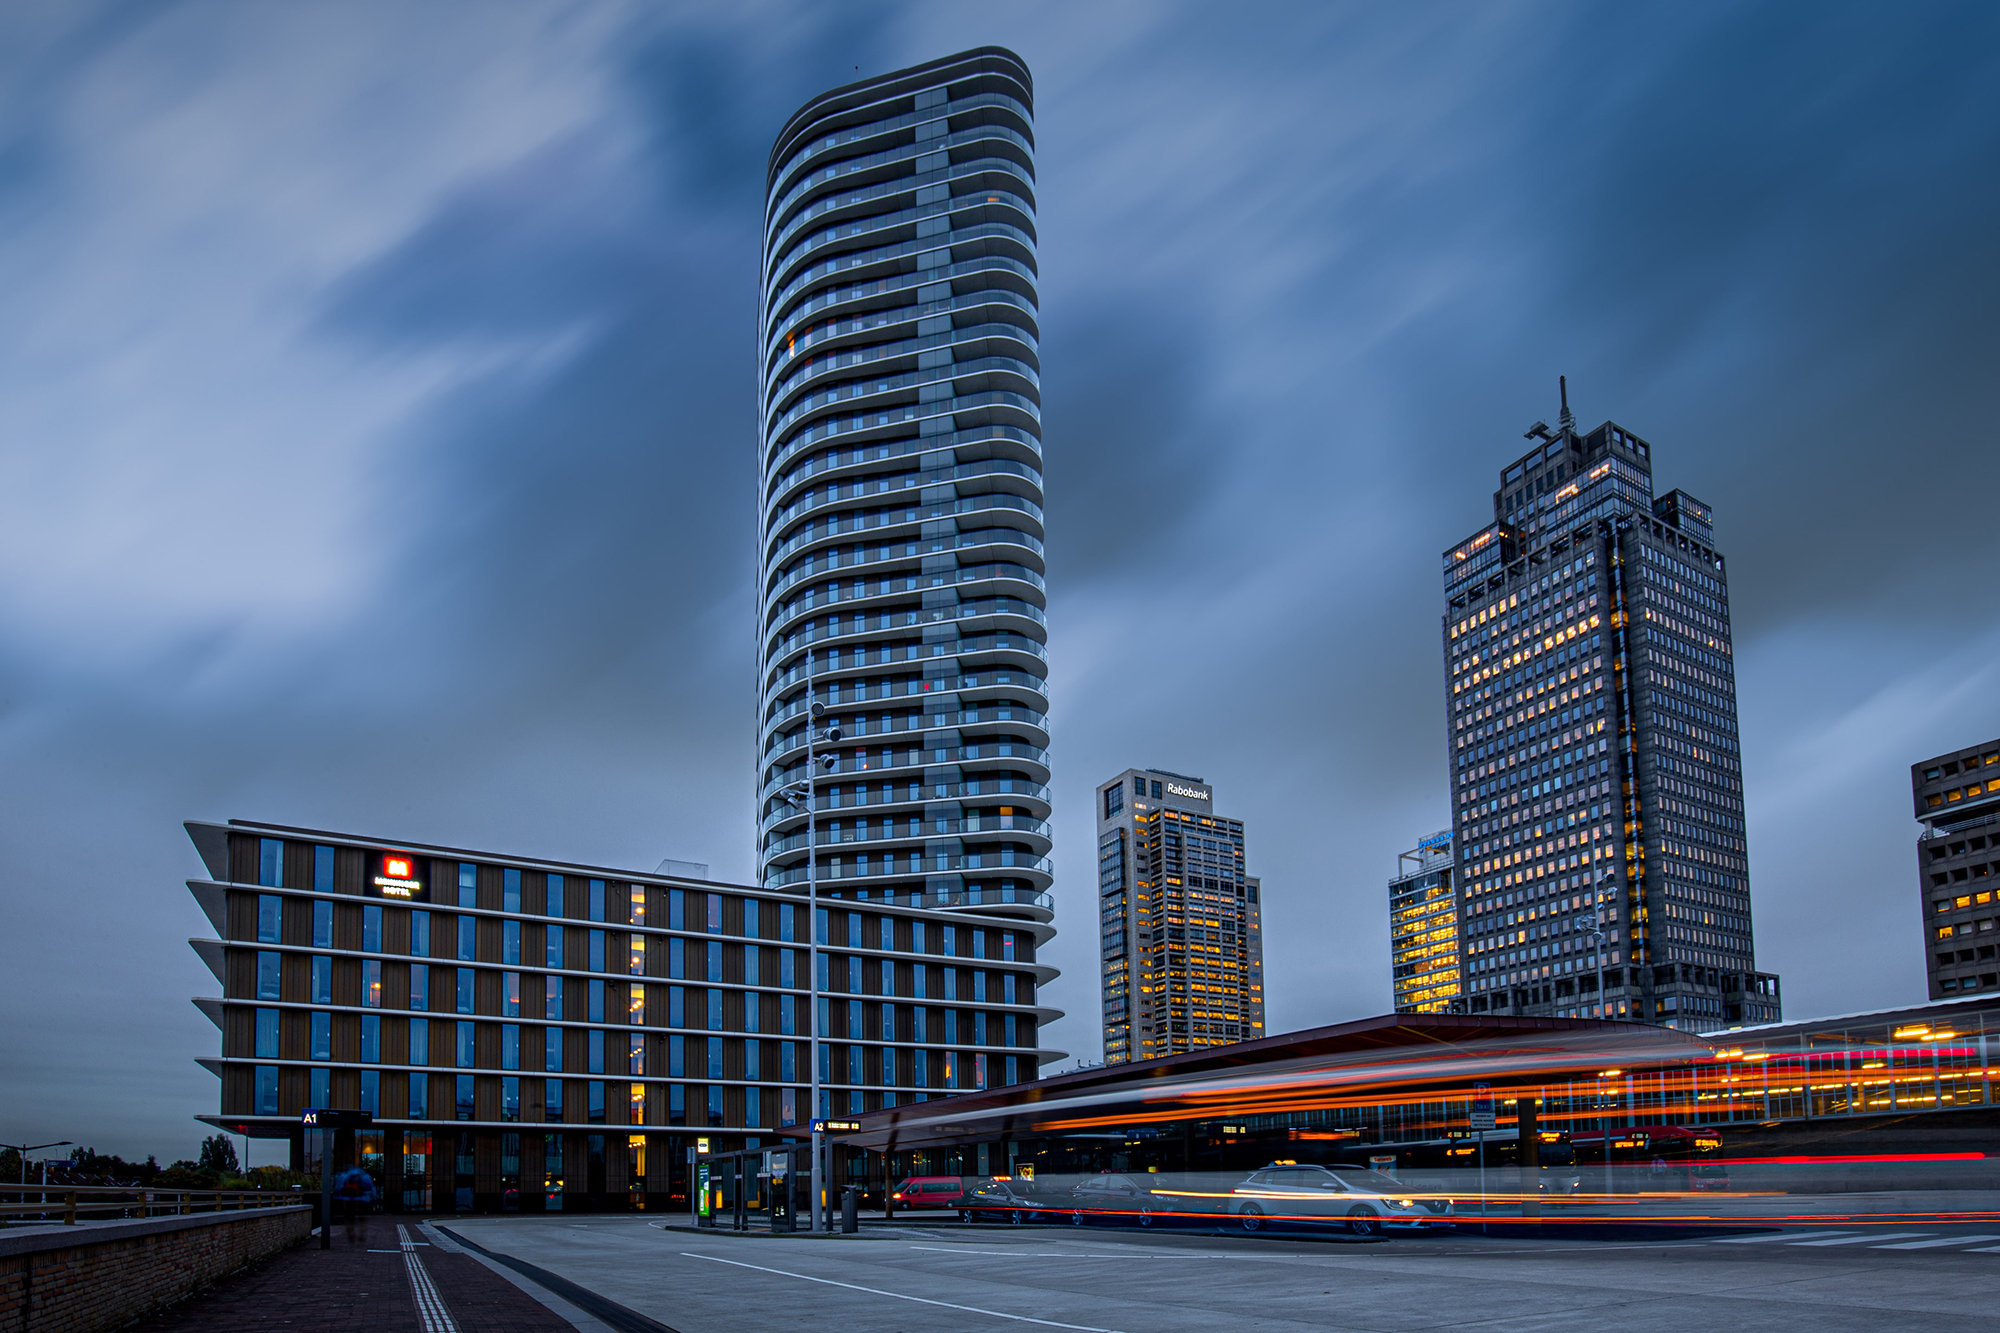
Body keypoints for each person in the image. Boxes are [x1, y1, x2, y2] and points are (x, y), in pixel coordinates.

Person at [331, 1164, 377, 1245]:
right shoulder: (366, 1176)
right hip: (363, 1200)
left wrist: (337, 1198)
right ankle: (361, 1235)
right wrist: (373, 1199)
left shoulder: (345, 1176)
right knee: (363, 1219)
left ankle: (351, 1234)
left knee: (349, 1219)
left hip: (348, 1200)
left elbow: (338, 1188)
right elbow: (372, 1189)